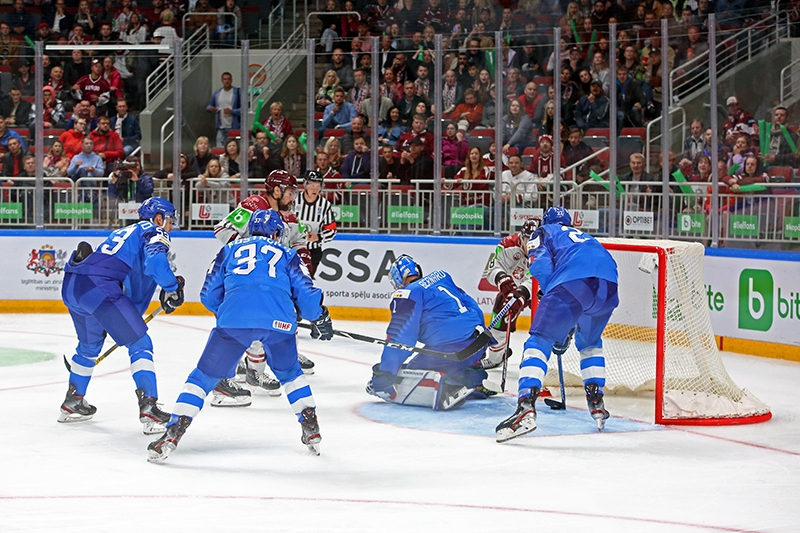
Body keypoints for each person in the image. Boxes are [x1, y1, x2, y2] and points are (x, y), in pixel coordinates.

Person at [147, 209, 332, 463]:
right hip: (279, 322)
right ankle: (311, 428)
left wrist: (230, 312)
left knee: (202, 377)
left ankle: (173, 432)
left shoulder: (230, 249)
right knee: (290, 373)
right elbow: (308, 294)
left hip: (234, 320)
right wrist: (318, 315)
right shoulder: (288, 254)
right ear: (277, 232)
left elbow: (209, 294)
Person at [59, 197, 185, 435]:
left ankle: (73, 401)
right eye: (170, 221)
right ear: (159, 218)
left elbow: (124, 275)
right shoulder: (154, 230)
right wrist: (172, 287)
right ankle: (149, 407)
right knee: (140, 343)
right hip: (98, 287)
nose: (171, 227)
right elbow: (156, 265)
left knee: (89, 346)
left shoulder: (125, 231)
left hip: (75, 283)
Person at [495, 206, 619, 442]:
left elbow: (540, 265)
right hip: (609, 286)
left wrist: (549, 292)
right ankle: (596, 400)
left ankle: (525, 407)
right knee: (590, 342)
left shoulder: (542, 232)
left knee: (538, 340)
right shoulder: (584, 237)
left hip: (573, 282)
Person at [366, 255, 495, 411]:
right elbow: (472, 306)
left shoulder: (408, 294)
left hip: (454, 350)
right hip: (480, 341)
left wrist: (385, 373)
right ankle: (475, 381)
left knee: (410, 373)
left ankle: (450, 387)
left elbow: (401, 337)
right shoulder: (442, 277)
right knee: (445, 355)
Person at [479, 218, 539, 371]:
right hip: (511, 292)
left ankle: (533, 357)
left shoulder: (546, 251)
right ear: (522, 237)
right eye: (528, 240)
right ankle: (497, 357)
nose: (531, 246)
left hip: (537, 294)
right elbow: (492, 270)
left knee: (542, 326)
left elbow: (540, 279)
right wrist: (502, 279)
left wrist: (523, 292)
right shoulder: (507, 245)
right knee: (500, 316)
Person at [295, 170, 337, 276]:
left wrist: (317, 237)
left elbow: (331, 230)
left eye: (318, 186)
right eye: (312, 185)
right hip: (293, 250)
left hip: (313, 252)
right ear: (305, 185)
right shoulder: (294, 200)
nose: (315, 189)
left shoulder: (325, 205)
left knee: (305, 283)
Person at [207, 72, 242, 147]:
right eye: (225, 79)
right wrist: (211, 108)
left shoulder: (237, 92)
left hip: (233, 126)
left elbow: (243, 110)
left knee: (233, 148)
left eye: (229, 79)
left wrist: (232, 111)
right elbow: (209, 105)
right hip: (221, 126)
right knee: (219, 149)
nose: (227, 81)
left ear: (231, 80)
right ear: (222, 80)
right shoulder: (217, 93)